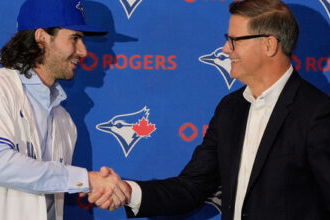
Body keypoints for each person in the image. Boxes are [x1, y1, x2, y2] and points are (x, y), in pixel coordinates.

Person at [88, 0, 330, 219]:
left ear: (269, 45)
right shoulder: (230, 109)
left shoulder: (316, 112)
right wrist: (129, 192)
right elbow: (191, 187)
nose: (225, 49)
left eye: (234, 40)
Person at [0, 0, 129, 219]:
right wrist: (88, 180)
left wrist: (98, 187)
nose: (83, 52)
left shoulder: (64, 120)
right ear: (42, 38)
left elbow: (49, 191)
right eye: (75, 38)